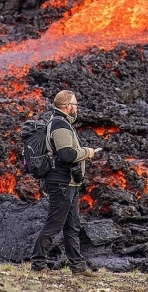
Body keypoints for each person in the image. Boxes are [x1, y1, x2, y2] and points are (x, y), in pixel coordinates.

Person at [30, 90, 100, 277]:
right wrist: (87, 152)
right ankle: (38, 263)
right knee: (54, 223)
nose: (77, 108)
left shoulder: (62, 123)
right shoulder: (60, 125)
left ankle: (78, 267)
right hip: (61, 183)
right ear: (67, 106)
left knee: (72, 226)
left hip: (69, 183)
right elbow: (66, 155)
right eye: (75, 104)